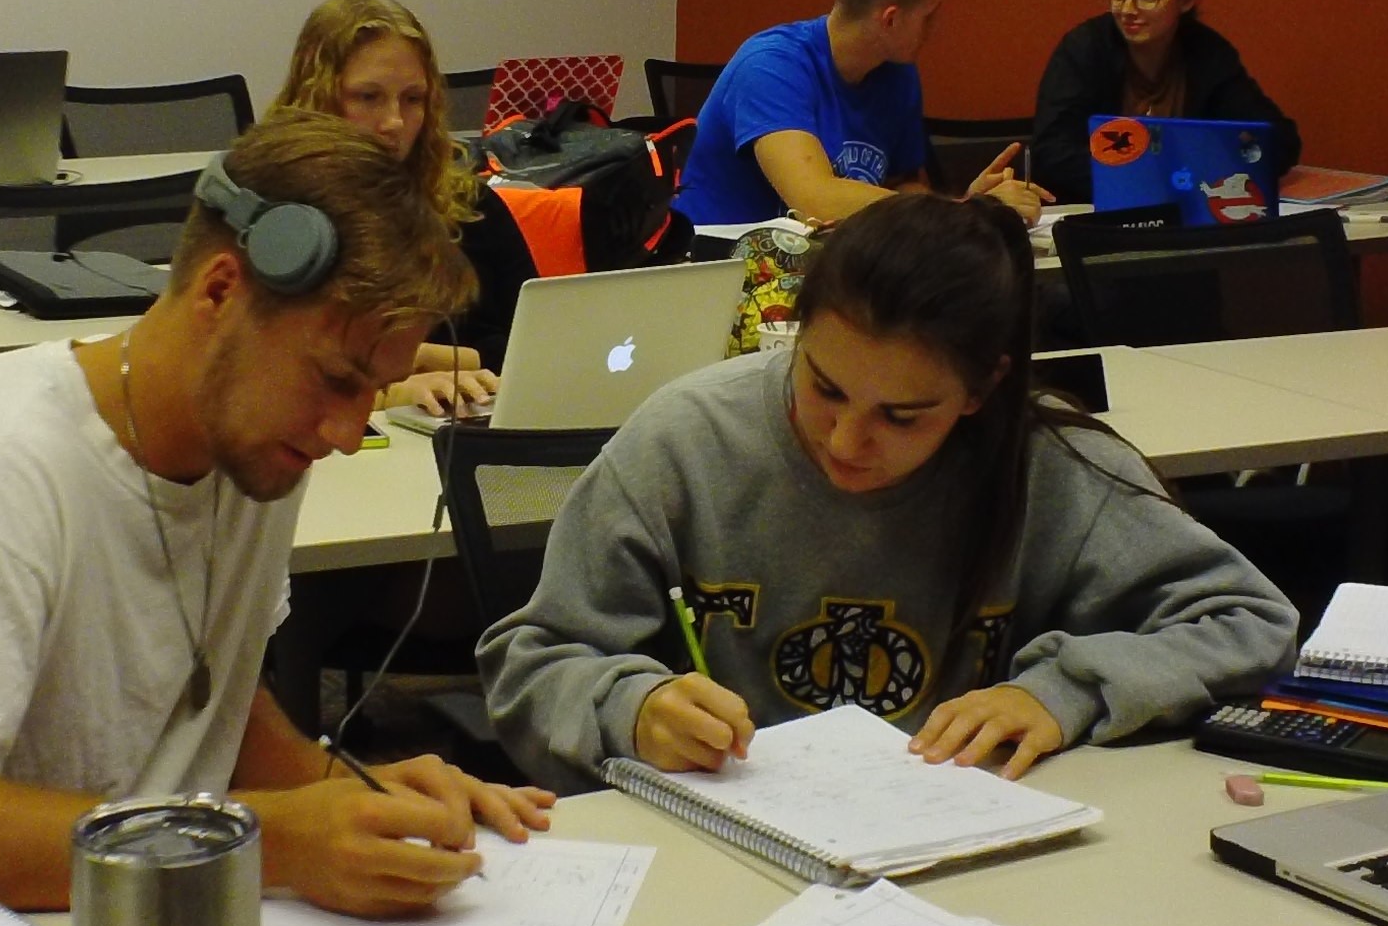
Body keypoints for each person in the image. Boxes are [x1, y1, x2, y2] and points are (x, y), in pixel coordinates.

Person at [0, 114, 555, 926]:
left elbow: (208, 698)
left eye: (374, 388)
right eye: (335, 379)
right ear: (222, 289)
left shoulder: (256, 444)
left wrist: (353, 797)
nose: (346, 427)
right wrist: (279, 841)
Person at [479, 192, 1298, 794]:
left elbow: (1252, 623)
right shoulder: (688, 440)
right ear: (795, 333)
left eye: (902, 416)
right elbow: (531, 661)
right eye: (824, 388)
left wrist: (1061, 690)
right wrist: (633, 706)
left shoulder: (1045, 462)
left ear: (982, 391)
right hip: (724, 840)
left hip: (968, 838)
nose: (846, 442)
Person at [673, 0, 1048, 228]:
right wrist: (967, 213)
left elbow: (902, 189)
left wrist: (964, 204)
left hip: (822, 269)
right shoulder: (770, 66)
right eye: (929, 16)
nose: (936, 29)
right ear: (891, 19)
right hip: (721, 274)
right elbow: (815, 201)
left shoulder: (897, 73)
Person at [266, 0, 520, 416]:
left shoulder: (469, 205)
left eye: (413, 99)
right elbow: (273, 371)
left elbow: (534, 344)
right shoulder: (282, 221)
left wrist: (430, 358)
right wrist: (393, 390)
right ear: (319, 98)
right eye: (368, 97)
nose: (394, 123)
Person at [1030, 0, 1301, 204]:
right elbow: (1052, 154)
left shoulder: (1207, 53)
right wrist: (1157, 178)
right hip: (1096, 212)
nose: (1127, 10)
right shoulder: (1083, 49)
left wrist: (1207, 171)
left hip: (1187, 213)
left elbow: (1279, 140)